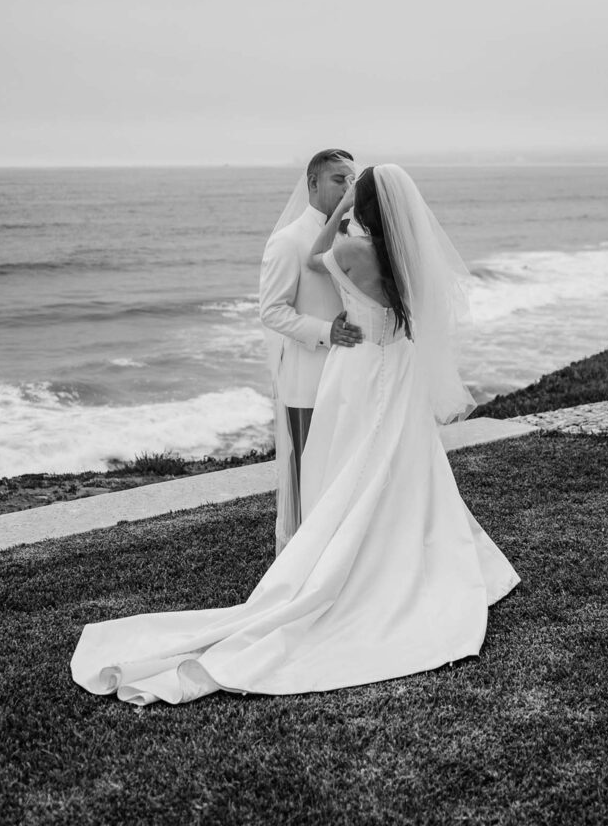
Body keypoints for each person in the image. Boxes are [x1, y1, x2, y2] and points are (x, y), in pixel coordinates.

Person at [70, 164, 519, 706]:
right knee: (402, 460)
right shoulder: (403, 257)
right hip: (398, 365)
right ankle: (414, 547)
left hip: (359, 368)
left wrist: (342, 209)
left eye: (352, 188)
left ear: (363, 204)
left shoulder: (350, 249)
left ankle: (345, 551)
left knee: (355, 463)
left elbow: (314, 256)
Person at [259, 149, 364, 555]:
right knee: (309, 478)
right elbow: (272, 311)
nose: (348, 187)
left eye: (352, 179)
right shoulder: (288, 241)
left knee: (344, 477)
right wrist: (325, 332)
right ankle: (305, 560)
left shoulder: (353, 237)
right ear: (313, 183)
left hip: (352, 379)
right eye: (339, 179)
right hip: (308, 382)